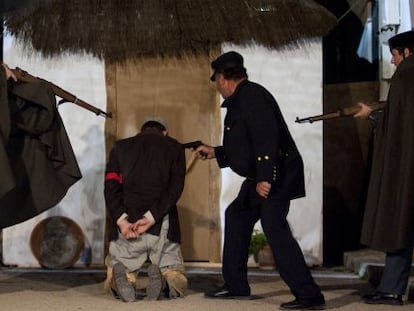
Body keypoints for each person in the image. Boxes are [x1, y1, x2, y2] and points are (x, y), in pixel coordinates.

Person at [196, 51, 325, 310]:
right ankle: (236, 286)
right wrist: (217, 152)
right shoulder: (243, 97)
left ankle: (309, 295)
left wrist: (265, 177)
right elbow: (246, 145)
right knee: (237, 215)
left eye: (217, 80)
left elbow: (267, 138)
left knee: (274, 227)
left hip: (275, 175)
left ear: (222, 78)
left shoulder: (252, 96)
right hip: (261, 175)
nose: (218, 87)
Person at [354, 30, 414, 306]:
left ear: (407, 52)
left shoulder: (406, 75)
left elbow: (399, 125)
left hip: (407, 166)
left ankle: (391, 288)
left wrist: (374, 115)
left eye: (394, 53)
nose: (392, 60)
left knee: (399, 224)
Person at [104, 118, 188, 302]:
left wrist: (121, 221)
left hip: (128, 227)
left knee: (120, 267)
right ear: (165, 132)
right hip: (162, 224)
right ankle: (168, 282)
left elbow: (111, 186)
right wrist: (151, 217)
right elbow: (175, 189)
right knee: (172, 269)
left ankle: (123, 280)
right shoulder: (175, 148)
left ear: (139, 132)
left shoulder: (120, 147)